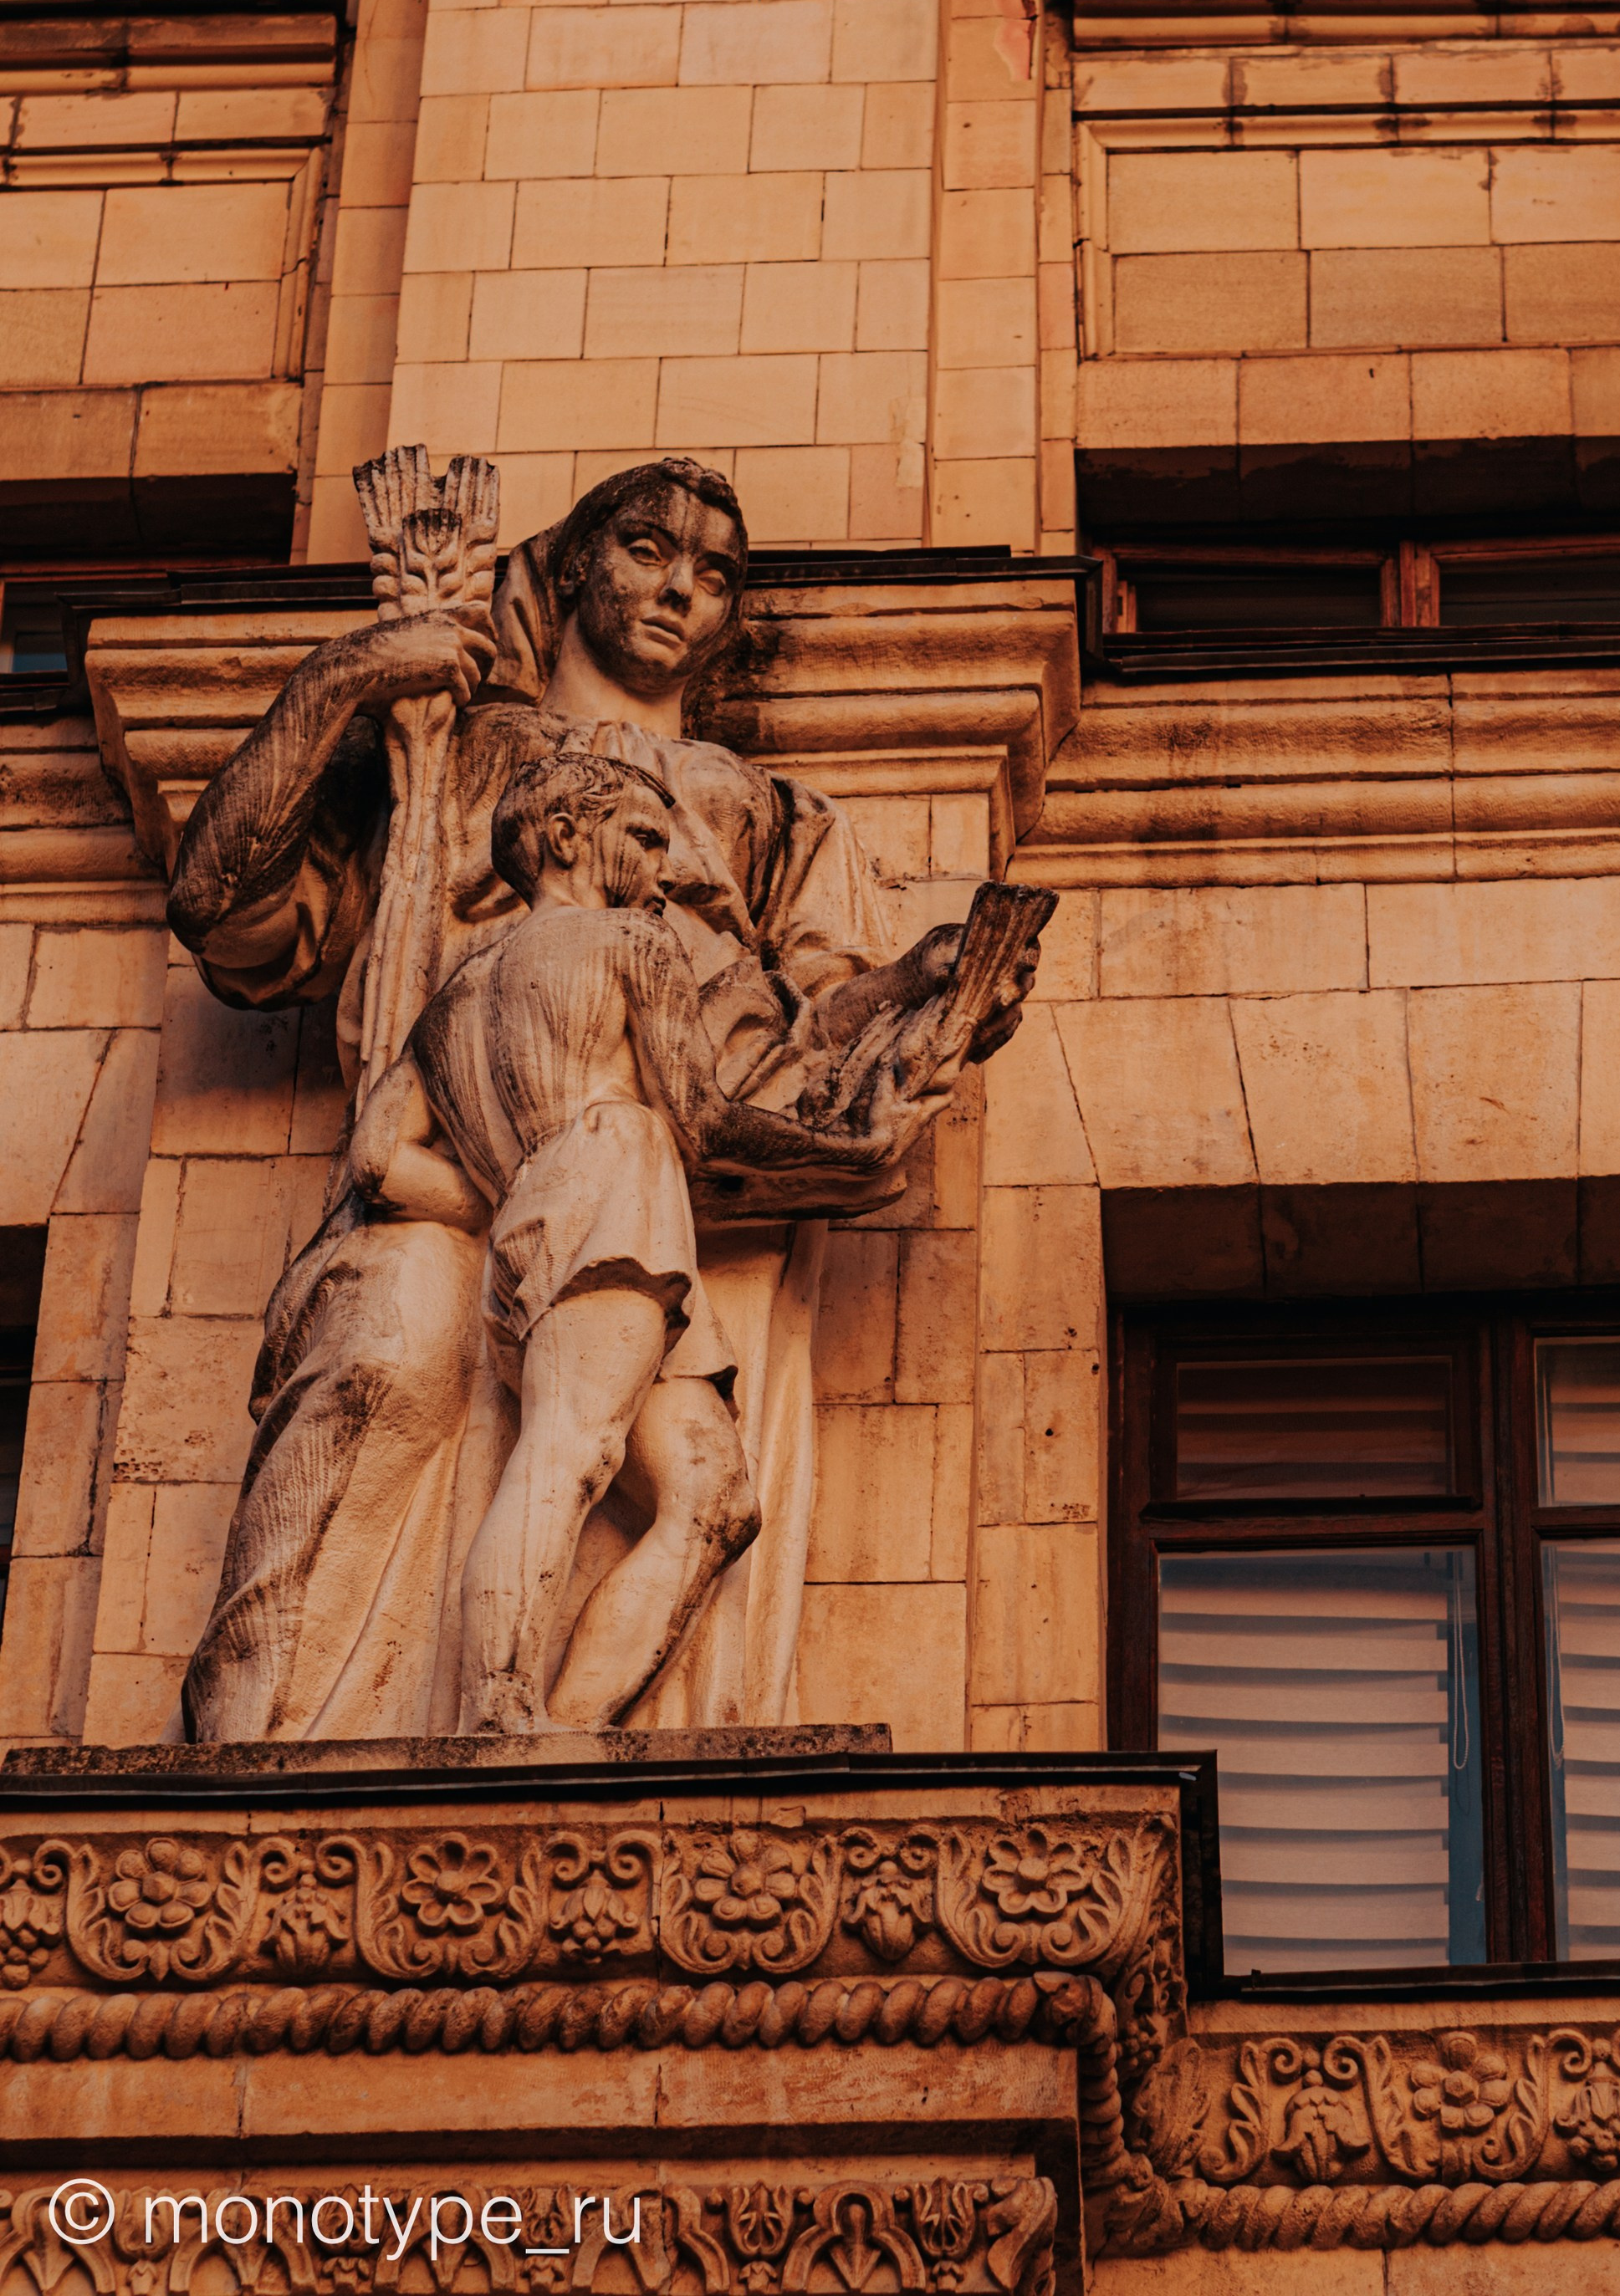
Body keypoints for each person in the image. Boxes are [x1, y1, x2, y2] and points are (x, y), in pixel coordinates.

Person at [172, 457, 1038, 1743]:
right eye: (646, 548)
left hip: (651, 1208)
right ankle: (258, 1762)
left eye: (717, 573)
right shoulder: (448, 755)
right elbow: (222, 909)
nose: (681, 588)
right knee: (389, 1358)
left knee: (685, 1487)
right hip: (496, 1177)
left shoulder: (778, 817)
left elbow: (804, 1048)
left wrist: (930, 1001)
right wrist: (351, 677)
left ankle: (542, 1729)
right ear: (572, 568)